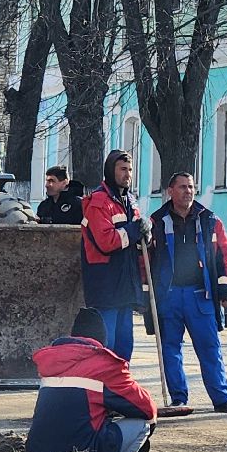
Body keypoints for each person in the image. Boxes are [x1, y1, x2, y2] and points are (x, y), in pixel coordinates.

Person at [148, 171, 227, 413]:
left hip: (201, 295)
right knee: (170, 349)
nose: (188, 191)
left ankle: (222, 399)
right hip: (169, 296)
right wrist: (146, 296)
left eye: (190, 187)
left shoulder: (210, 220)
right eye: (182, 187)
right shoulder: (156, 222)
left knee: (210, 348)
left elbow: (226, 257)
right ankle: (179, 399)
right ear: (170, 191)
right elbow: (144, 262)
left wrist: (226, 291)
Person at [27, 308, 156, 452]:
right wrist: (151, 429)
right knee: (141, 425)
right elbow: (147, 409)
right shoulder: (105, 365)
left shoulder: (50, 362)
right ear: (101, 340)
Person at [79, 149, 147, 358]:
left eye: (130, 170)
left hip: (124, 286)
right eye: (123, 169)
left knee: (124, 347)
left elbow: (135, 239)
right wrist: (135, 231)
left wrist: (146, 234)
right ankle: (103, 390)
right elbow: (106, 242)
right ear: (111, 171)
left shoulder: (129, 201)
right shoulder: (99, 202)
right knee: (107, 348)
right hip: (105, 286)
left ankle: (118, 388)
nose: (128, 174)